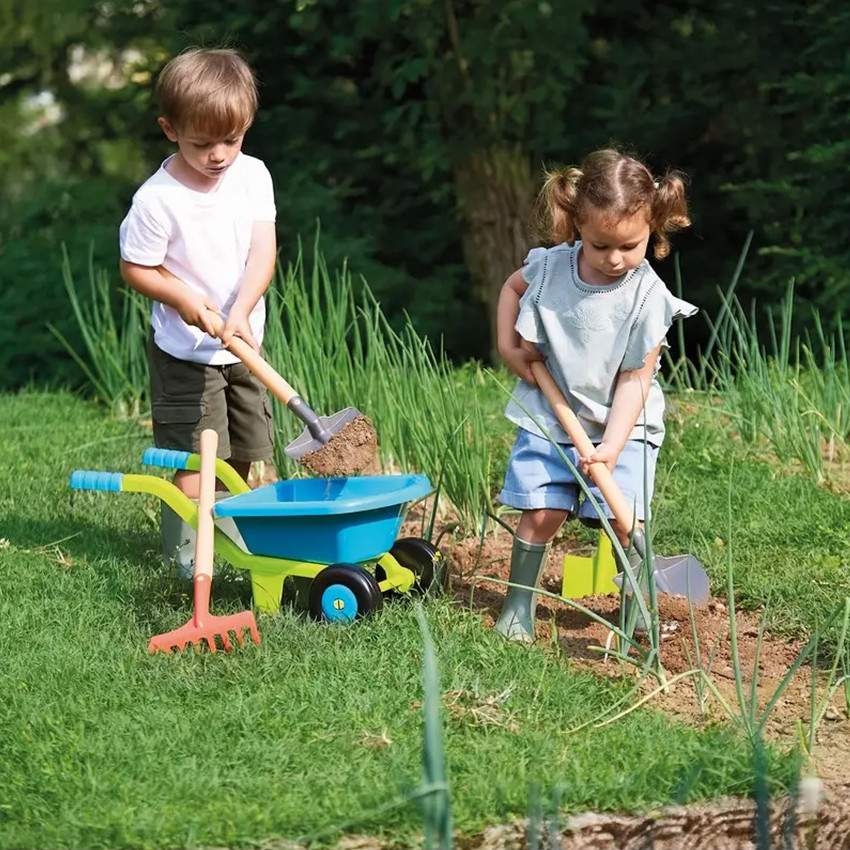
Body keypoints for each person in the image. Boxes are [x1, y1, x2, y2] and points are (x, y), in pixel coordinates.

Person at [494, 148, 696, 642]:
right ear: (577, 225)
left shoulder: (647, 297)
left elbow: (635, 380)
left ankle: (635, 612)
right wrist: (508, 345)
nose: (615, 259)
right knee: (541, 513)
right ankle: (518, 606)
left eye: (630, 245)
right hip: (552, 412)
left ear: (652, 229)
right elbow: (512, 289)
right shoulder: (551, 268)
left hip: (623, 425)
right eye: (600, 245)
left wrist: (612, 446)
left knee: (625, 525)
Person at [119, 47, 277, 577]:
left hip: (243, 342)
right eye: (202, 143)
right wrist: (185, 300)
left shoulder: (253, 176)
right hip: (186, 354)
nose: (218, 155)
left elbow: (263, 250)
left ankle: (226, 543)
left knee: (243, 448)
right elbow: (136, 268)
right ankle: (186, 559)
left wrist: (243, 309)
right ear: (170, 130)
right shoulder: (157, 200)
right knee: (195, 455)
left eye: (231, 139)